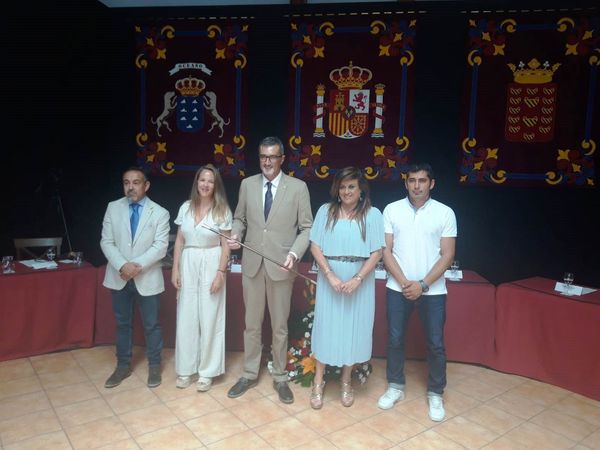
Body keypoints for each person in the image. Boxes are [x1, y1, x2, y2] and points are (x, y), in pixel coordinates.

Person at [227, 136, 313, 404]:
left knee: (279, 326)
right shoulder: (247, 184)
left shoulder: (298, 188)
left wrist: (294, 253)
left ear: (282, 159)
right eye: (263, 156)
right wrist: (235, 233)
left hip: (281, 266)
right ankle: (249, 373)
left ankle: (280, 377)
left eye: (272, 156)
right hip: (252, 264)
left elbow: (307, 228)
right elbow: (239, 218)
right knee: (251, 324)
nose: (267, 161)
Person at [377, 163, 456, 422]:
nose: (417, 186)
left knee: (435, 343)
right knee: (395, 339)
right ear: (406, 183)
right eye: (412, 180)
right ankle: (395, 386)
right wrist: (404, 282)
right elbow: (385, 251)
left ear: (432, 183)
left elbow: (448, 255)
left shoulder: (445, 212)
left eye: (422, 181)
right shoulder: (392, 209)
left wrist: (422, 285)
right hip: (397, 288)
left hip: (433, 291)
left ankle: (435, 393)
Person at [308, 167, 384, 409]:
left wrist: (358, 279)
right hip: (330, 276)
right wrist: (329, 275)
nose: (347, 191)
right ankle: (318, 381)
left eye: (352, 186)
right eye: (342, 187)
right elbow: (314, 245)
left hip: (360, 280)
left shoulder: (372, 215)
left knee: (353, 328)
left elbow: (377, 252)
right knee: (326, 327)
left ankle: (346, 381)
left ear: (361, 190)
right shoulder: (325, 211)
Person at [100, 166, 170, 388]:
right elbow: (106, 242)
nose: (130, 187)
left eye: (136, 182)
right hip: (119, 276)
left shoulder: (160, 213)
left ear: (146, 185)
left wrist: (135, 267)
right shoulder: (113, 208)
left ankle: (154, 366)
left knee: (151, 325)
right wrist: (123, 265)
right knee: (123, 324)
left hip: (146, 277)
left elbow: (160, 247)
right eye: (126, 182)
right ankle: (123, 366)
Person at [171, 164, 232, 392]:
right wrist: (175, 270)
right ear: (197, 182)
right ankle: (186, 369)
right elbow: (179, 241)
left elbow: (226, 245)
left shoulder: (222, 210)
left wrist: (220, 273)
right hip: (188, 261)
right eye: (202, 180)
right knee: (186, 316)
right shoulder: (185, 207)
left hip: (212, 261)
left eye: (210, 181)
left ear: (216, 185)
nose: (205, 184)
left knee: (210, 317)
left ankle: (207, 372)